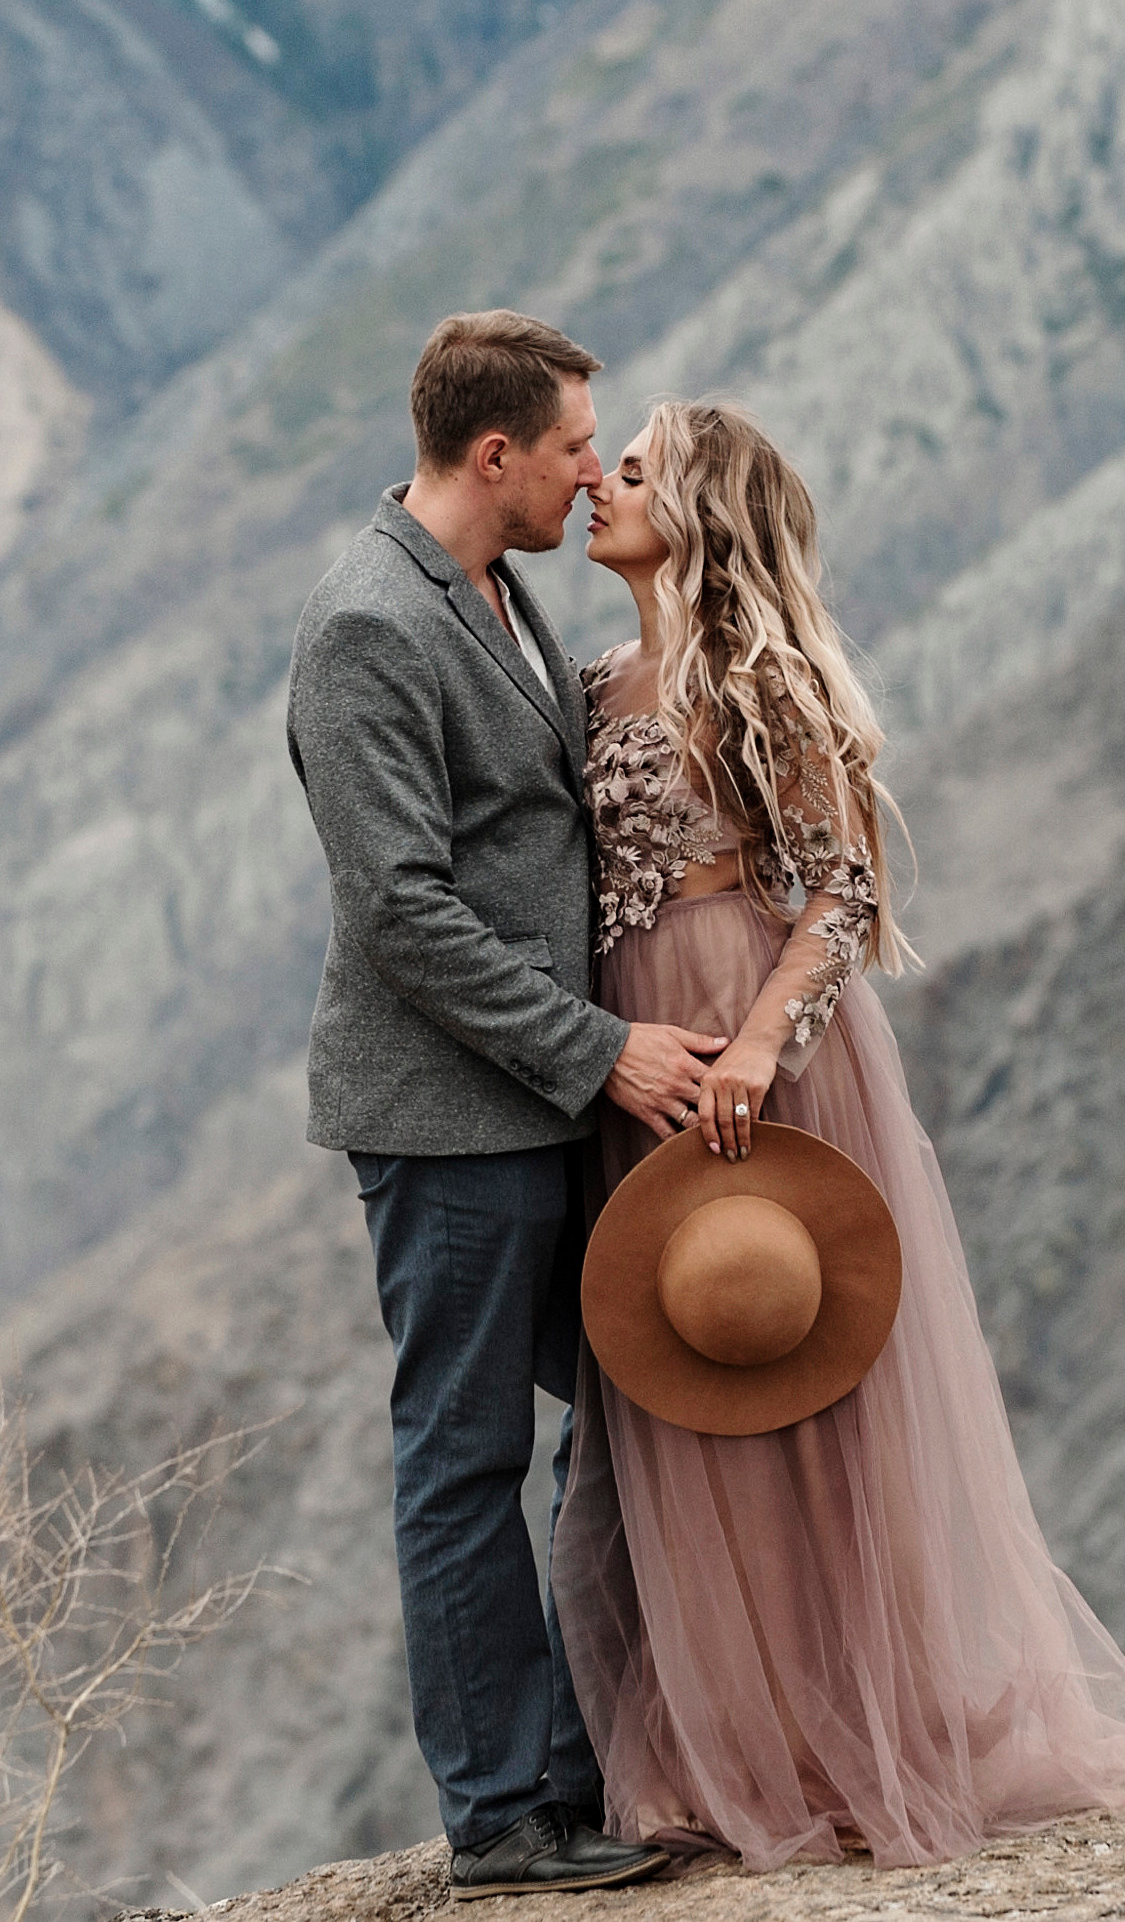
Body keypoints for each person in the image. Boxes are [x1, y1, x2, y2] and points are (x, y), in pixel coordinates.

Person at [551, 395, 1125, 1870]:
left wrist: (764, 1042)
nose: (602, 488)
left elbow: (840, 884)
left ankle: (866, 1727)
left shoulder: (765, 683)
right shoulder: (592, 684)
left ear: (697, 511)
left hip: (763, 1048)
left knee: (805, 1380)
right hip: (641, 1054)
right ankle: (749, 1742)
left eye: (631, 473)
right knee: (682, 1388)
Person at [286, 311, 727, 1900]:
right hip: (448, 1117)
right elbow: (400, 910)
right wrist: (600, 1049)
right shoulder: (365, 627)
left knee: (614, 1410)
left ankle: (584, 1764)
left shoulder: (495, 587)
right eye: (567, 447)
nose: (589, 470)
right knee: (464, 1452)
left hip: (542, 1105)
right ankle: (504, 1821)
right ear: (494, 455)